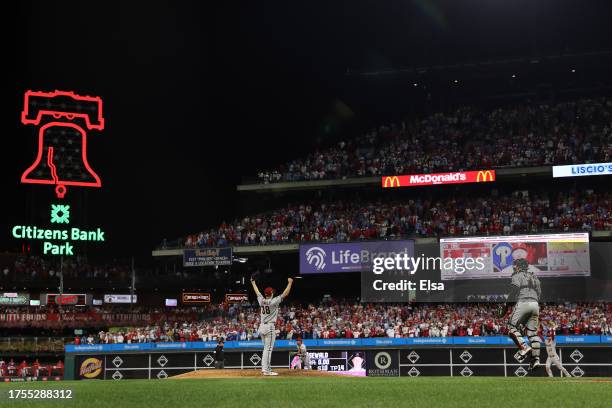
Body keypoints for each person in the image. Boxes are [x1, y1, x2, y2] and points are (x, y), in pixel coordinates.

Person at [498, 258, 542, 370]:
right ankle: (535, 360)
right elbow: (540, 293)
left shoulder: (517, 275)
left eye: (515, 265)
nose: (514, 267)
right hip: (535, 304)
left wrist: (506, 305)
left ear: (518, 266)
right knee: (532, 333)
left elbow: (514, 290)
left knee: (510, 327)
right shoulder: (534, 277)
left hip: (523, 302)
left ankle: (524, 347)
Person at [250, 276, 294, 376]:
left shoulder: (261, 300)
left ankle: (264, 368)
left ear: (265, 294)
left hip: (261, 327)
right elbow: (285, 294)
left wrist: (253, 282)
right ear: (271, 293)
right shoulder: (274, 301)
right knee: (268, 349)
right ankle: (266, 370)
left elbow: (257, 292)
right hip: (269, 327)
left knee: (265, 348)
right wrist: (290, 283)